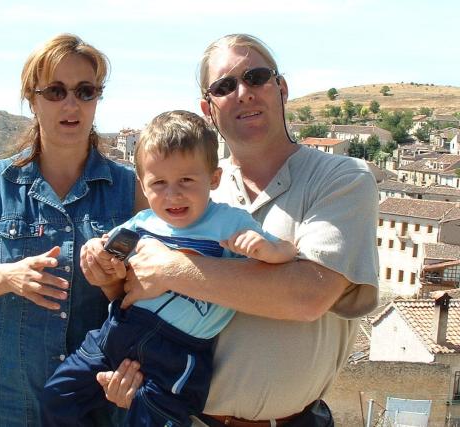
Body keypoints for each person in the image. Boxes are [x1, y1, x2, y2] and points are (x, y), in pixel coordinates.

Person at [83, 34, 380, 426]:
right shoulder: (191, 188)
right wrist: (107, 280)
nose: (243, 93)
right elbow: (139, 291)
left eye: (256, 77)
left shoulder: (340, 178)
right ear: (208, 108)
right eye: (224, 86)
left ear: (281, 88)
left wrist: (175, 269)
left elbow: (309, 295)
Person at [0, 34, 140, 426]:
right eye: (56, 91)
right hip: (4, 403)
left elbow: (150, 297)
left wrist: (115, 284)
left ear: (98, 98)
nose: (71, 104)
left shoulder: (131, 191)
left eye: (85, 91)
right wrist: (6, 276)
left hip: (93, 404)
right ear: (33, 99)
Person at [42, 110, 297, 426]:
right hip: (117, 332)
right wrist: (98, 252)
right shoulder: (141, 223)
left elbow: (288, 251)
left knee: (154, 418)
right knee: (58, 397)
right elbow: (114, 262)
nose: (172, 194)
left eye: (186, 180)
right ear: (143, 185)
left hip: (177, 353)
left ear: (213, 179)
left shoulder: (231, 222)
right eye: (159, 182)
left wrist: (268, 250)